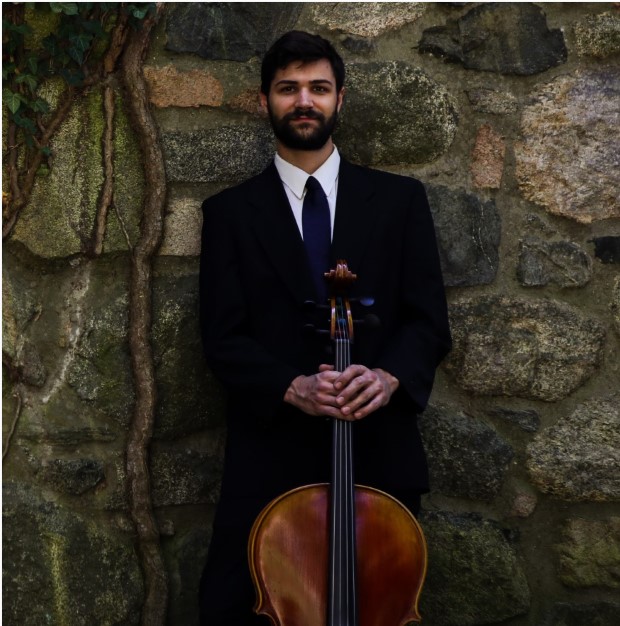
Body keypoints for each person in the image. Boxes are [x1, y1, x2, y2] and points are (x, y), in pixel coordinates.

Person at [198, 30, 451, 626]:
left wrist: (388, 379)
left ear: (341, 99)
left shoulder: (399, 201)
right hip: (270, 457)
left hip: (378, 453)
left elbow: (427, 322)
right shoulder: (229, 214)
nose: (304, 101)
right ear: (264, 102)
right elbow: (222, 338)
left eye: (318, 87)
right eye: (288, 89)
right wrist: (292, 386)